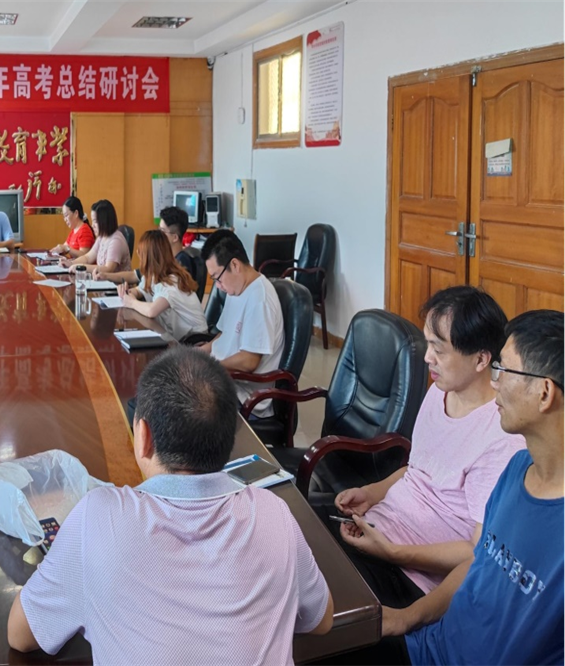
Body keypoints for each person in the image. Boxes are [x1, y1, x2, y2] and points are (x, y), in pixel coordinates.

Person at [8, 346, 333, 663]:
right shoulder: (273, 513)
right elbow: (321, 620)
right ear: (229, 439)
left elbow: (20, 635)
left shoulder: (96, 517)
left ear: (143, 436)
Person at [383, 310, 563, 665]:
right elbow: (479, 562)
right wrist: (408, 617)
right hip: (427, 647)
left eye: (504, 370)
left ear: (544, 393)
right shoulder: (516, 469)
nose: (494, 383)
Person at [329, 287, 525, 608]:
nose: (426, 357)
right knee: (291, 539)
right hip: (379, 530)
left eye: (438, 349)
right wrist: (372, 493)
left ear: (481, 359)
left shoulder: (502, 436)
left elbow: (477, 552)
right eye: (427, 344)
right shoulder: (440, 390)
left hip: (411, 575)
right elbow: (418, 471)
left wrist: (394, 552)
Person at [197, 229, 284, 418]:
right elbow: (224, 335)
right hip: (224, 378)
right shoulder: (236, 289)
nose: (218, 286)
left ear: (235, 265)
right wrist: (200, 352)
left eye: (217, 278)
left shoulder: (260, 299)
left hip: (242, 395)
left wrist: (210, 367)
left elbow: (249, 361)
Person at [118, 230, 207, 342]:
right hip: (178, 338)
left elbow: (152, 311)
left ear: (149, 258)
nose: (138, 254)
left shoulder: (172, 282)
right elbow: (140, 289)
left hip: (195, 342)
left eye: (140, 252)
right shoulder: (155, 275)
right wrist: (130, 292)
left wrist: (131, 302)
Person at [94, 206, 197, 286]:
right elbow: (134, 275)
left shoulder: (181, 263)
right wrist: (105, 276)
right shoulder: (162, 256)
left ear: (175, 237)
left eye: (162, 231)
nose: (158, 234)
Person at [61, 199, 132, 275]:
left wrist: (80, 267)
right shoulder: (101, 237)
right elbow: (88, 258)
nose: (92, 225)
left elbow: (108, 269)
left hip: (116, 282)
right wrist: (71, 263)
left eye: (95, 221)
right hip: (102, 280)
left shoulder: (116, 240)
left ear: (104, 221)